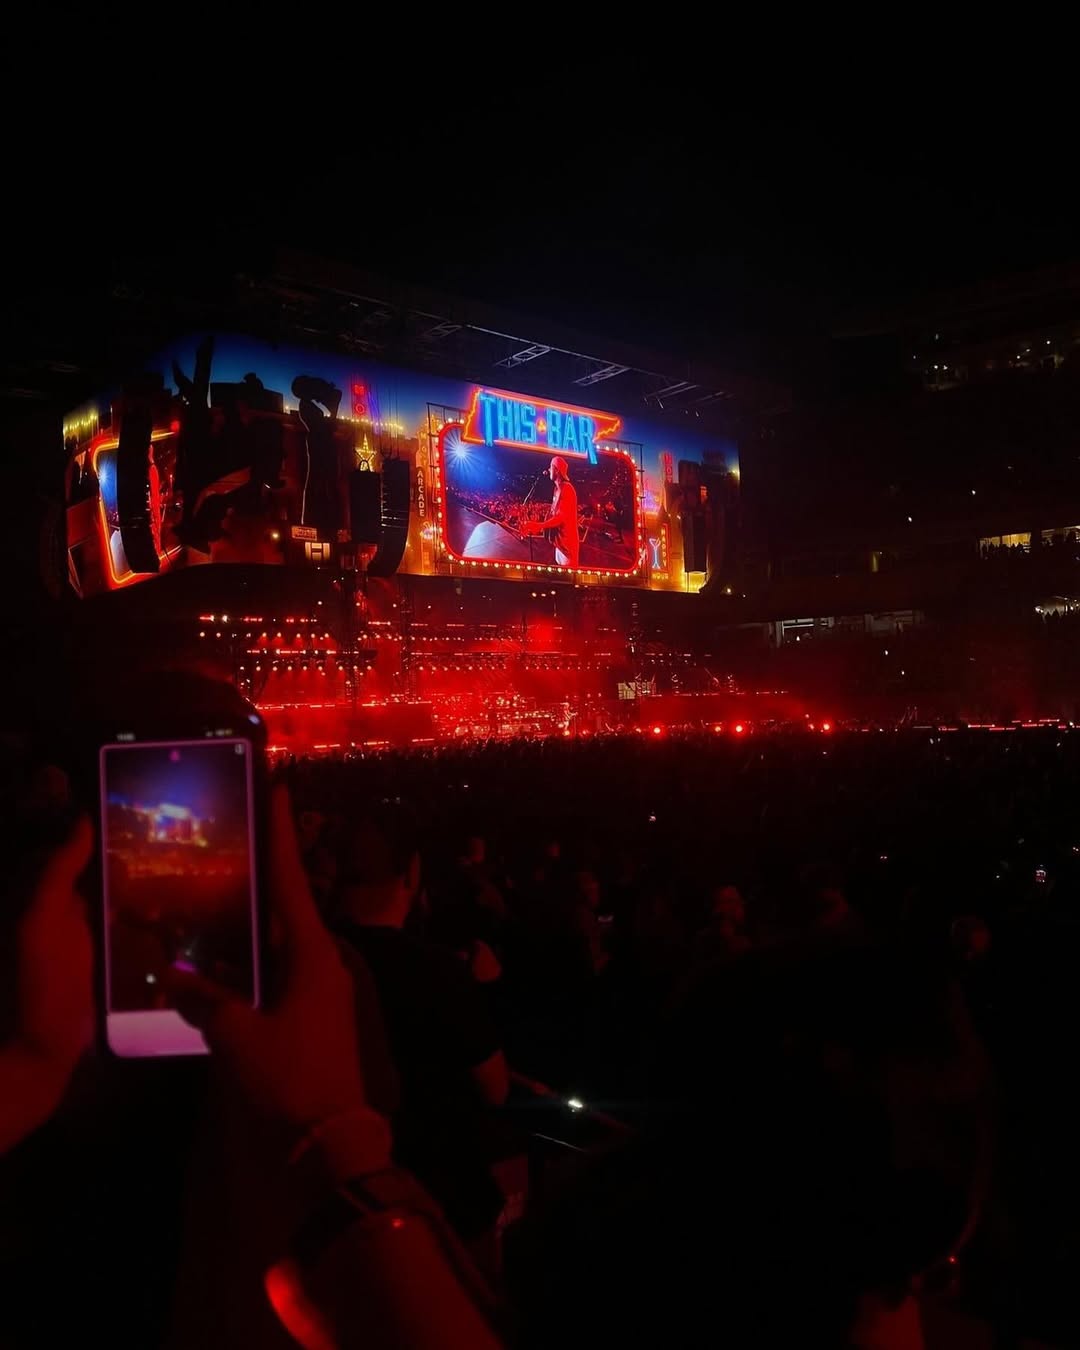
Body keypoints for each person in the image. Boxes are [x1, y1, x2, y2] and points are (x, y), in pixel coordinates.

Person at [330, 804, 510, 1242]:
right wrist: (487, 992)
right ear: (411, 873)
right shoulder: (440, 973)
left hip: (338, 1196)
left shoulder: (310, 965)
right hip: (434, 1200)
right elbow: (495, 1087)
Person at [519, 456, 580, 567]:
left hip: (567, 547)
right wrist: (535, 526)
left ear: (557, 470)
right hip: (559, 545)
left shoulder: (567, 489)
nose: (548, 470)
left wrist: (539, 525)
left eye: (551, 467)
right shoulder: (557, 489)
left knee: (567, 577)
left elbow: (560, 518)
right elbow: (554, 514)